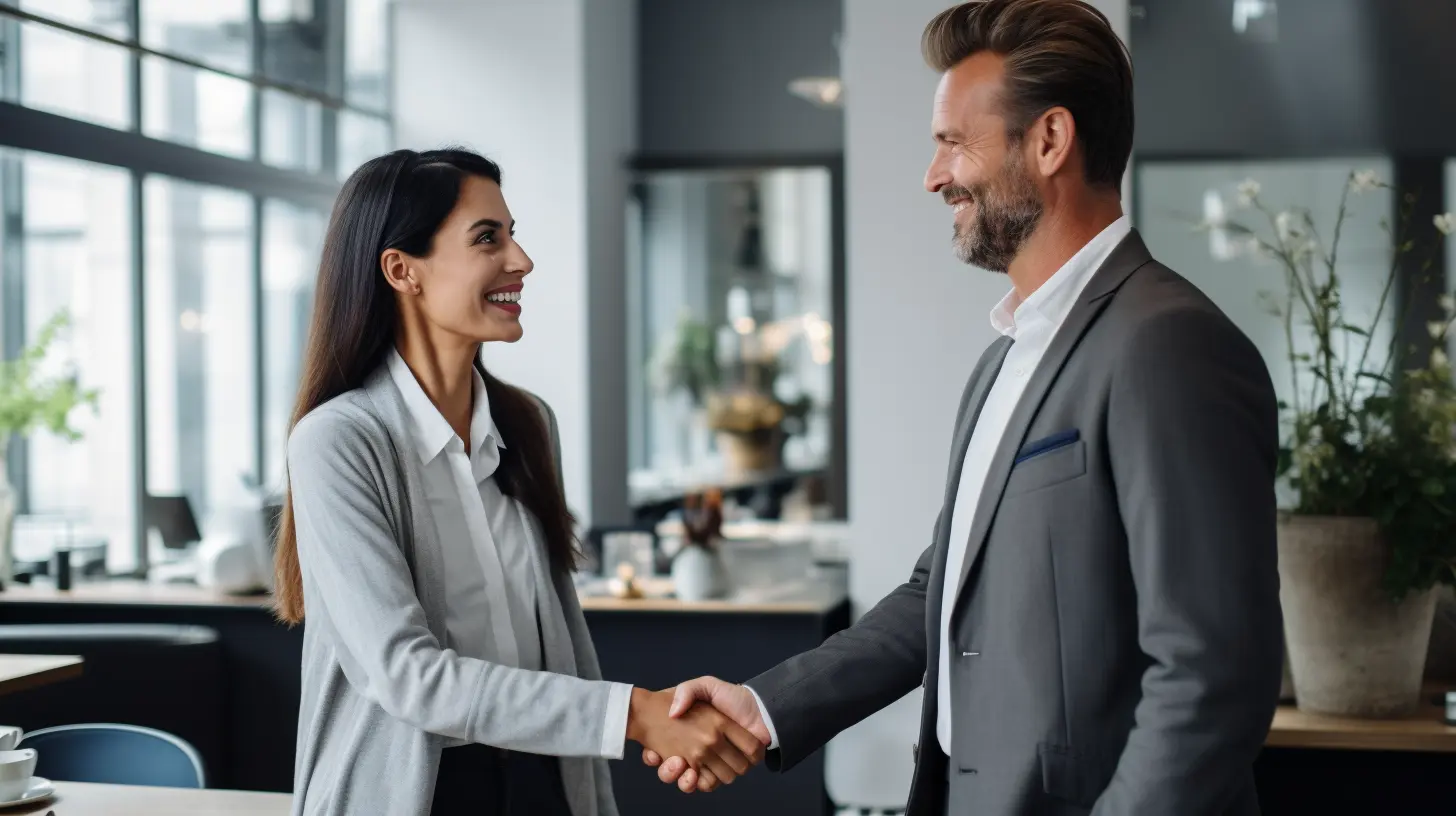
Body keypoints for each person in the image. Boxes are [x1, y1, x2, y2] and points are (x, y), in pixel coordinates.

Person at [646, 1, 1283, 813]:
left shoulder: (1169, 345)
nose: (934, 174)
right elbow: (938, 591)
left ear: (1049, 141)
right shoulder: (1002, 361)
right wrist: (767, 707)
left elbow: (1210, 675)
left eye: (952, 141)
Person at [273, 148, 764, 816]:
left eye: (513, 234)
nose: (521, 261)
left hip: (543, 783)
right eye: (487, 239)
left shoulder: (530, 423)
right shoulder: (339, 441)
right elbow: (409, 677)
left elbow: (559, 640)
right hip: (417, 794)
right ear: (401, 270)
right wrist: (634, 715)